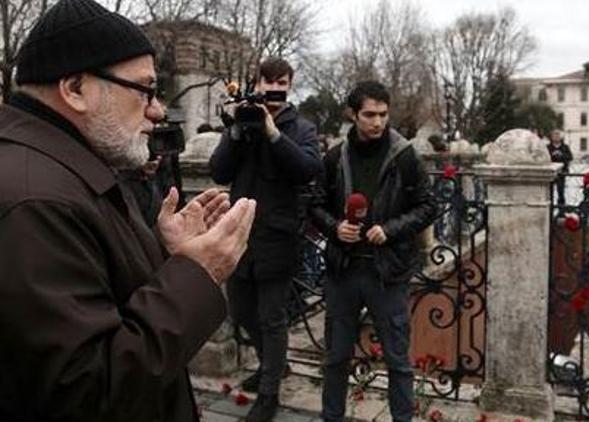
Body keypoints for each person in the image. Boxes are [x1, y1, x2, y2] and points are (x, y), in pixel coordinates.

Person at [0, 1, 256, 421]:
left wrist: (166, 255)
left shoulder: (57, 171)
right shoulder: (34, 200)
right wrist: (198, 273)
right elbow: (88, 390)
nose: (157, 111)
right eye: (145, 90)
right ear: (76, 89)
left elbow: (97, 293)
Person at [310, 81, 437, 422]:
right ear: (353, 114)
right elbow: (315, 205)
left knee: (398, 360)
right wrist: (336, 228)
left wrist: (390, 229)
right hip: (344, 270)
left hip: (388, 273)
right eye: (369, 115)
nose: (377, 122)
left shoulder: (405, 155)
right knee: (336, 357)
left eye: (383, 114)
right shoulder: (335, 156)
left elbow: (428, 206)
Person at [210, 57, 322, 422]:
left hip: (278, 236)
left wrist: (273, 132)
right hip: (241, 234)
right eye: (268, 81)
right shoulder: (243, 119)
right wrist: (237, 132)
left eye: (282, 81)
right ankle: (274, 365)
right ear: (258, 83)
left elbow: (306, 170)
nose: (274, 86)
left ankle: (270, 391)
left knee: (272, 317)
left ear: (290, 84)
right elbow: (218, 170)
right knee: (241, 311)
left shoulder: (302, 128)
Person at [546, 129, 573, 205]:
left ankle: (561, 209)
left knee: (561, 191)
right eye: (554, 135)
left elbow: (570, 157)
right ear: (551, 137)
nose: (556, 137)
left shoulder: (565, 147)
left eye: (558, 135)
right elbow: (545, 158)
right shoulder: (548, 147)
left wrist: (561, 155)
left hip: (562, 172)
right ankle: (549, 209)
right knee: (549, 192)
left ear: (561, 137)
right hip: (550, 172)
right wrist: (553, 155)